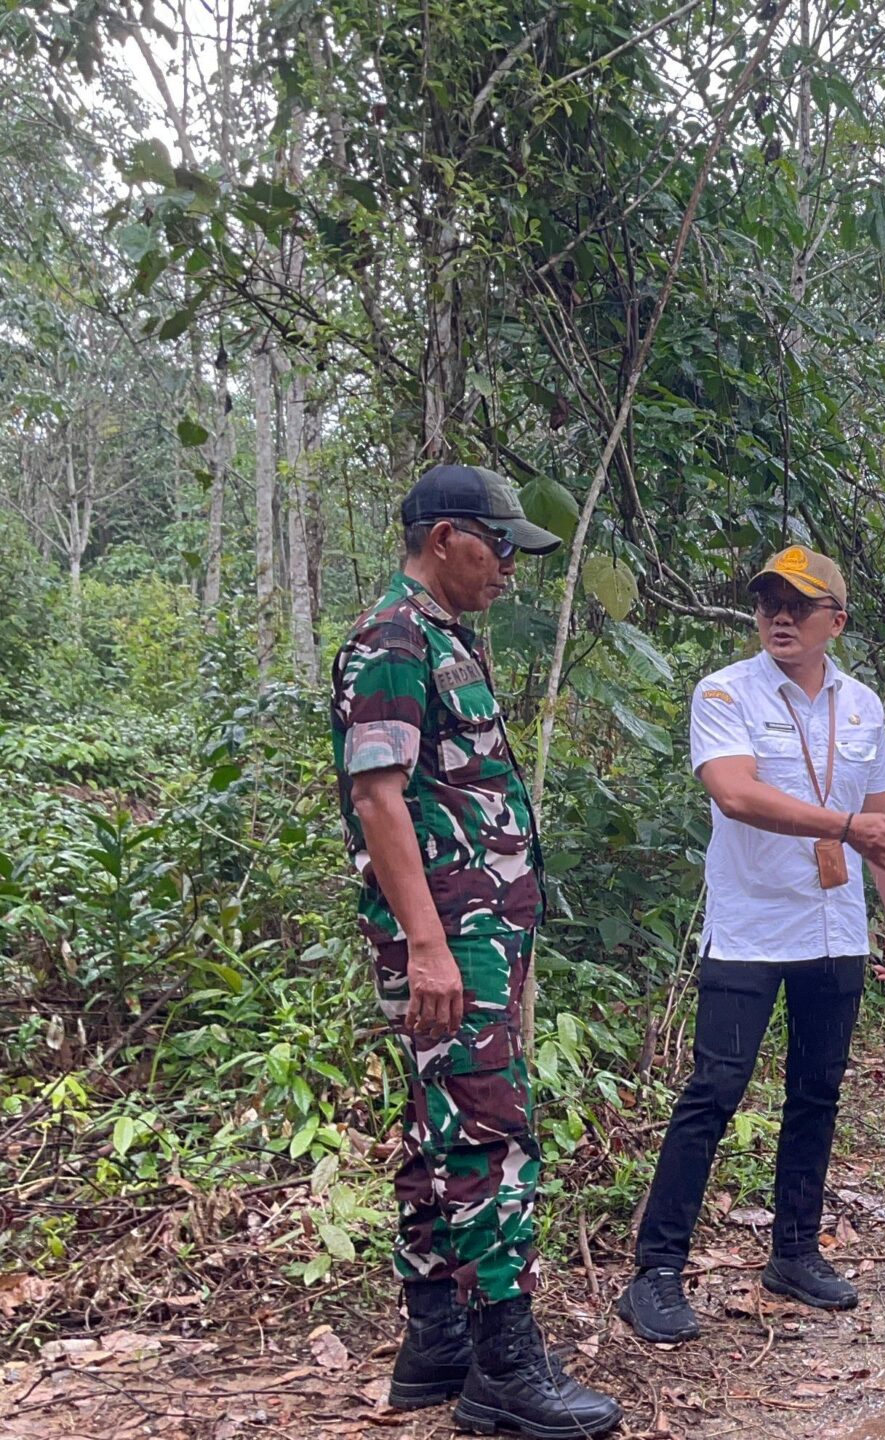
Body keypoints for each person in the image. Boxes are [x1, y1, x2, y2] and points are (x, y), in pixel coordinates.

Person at [330, 464, 622, 1438]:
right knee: (490, 1134)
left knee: (439, 1127)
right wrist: (428, 947)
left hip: (473, 928)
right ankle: (505, 1369)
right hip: (450, 934)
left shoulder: (441, 636)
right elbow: (379, 796)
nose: (507, 566)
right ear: (445, 536)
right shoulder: (394, 639)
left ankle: (436, 1343)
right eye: (497, 546)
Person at [616, 546, 885, 1344]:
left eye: (798, 604)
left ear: (837, 621)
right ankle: (656, 1271)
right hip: (750, 927)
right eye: (767, 604)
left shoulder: (861, 707)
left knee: (817, 1092)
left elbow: (883, 821)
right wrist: (845, 825)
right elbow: (735, 792)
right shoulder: (725, 690)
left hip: (832, 928)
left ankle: (793, 1252)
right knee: (714, 1092)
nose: (780, 618)